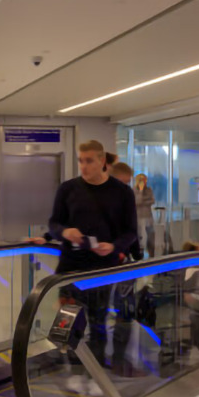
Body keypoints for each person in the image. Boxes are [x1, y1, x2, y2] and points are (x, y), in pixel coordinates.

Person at [49, 140, 137, 365]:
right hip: (70, 266)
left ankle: (95, 369)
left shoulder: (122, 193)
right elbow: (54, 224)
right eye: (81, 161)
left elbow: (130, 232)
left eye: (89, 161)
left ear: (102, 161)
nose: (84, 166)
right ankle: (73, 366)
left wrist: (114, 246)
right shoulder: (68, 189)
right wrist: (65, 231)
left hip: (103, 266)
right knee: (70, 322)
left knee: (98, 320)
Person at [134, 173, 155, 257]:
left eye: (144, 180)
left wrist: (144, 201)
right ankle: (139, 253)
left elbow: (152, 201)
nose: (143, 182)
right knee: (140, 236)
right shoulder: (134, 190)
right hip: (139, 217)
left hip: (148, 216)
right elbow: (137, 202)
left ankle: (151, 252)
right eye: (141, 180)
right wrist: (141, 191)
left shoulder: (149, 189)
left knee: (150, 234)